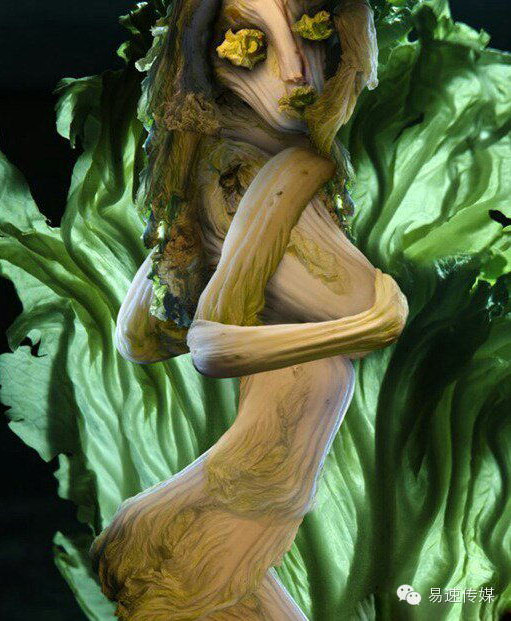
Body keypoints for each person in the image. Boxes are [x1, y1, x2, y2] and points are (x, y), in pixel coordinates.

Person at [90, 1, 408, 619]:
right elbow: (209, 343)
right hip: (221, 516)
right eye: (250, 44)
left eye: (312, 33)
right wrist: (371, 325)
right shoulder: (283, 173)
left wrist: (186, 231)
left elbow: (143, 338)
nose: (295, 71)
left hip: (232, 509)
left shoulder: (244, 172)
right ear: (204, 60)